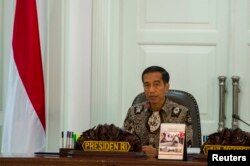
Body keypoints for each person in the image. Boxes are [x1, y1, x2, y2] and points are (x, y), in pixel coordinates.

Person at [123, 66, 193, 158]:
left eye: (156, 84)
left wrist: (157, 153)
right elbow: (124, 143)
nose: (151, 90)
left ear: (166, 87)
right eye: (147, 85)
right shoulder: (134, 112)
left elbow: (186, 148)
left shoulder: (181, 114)